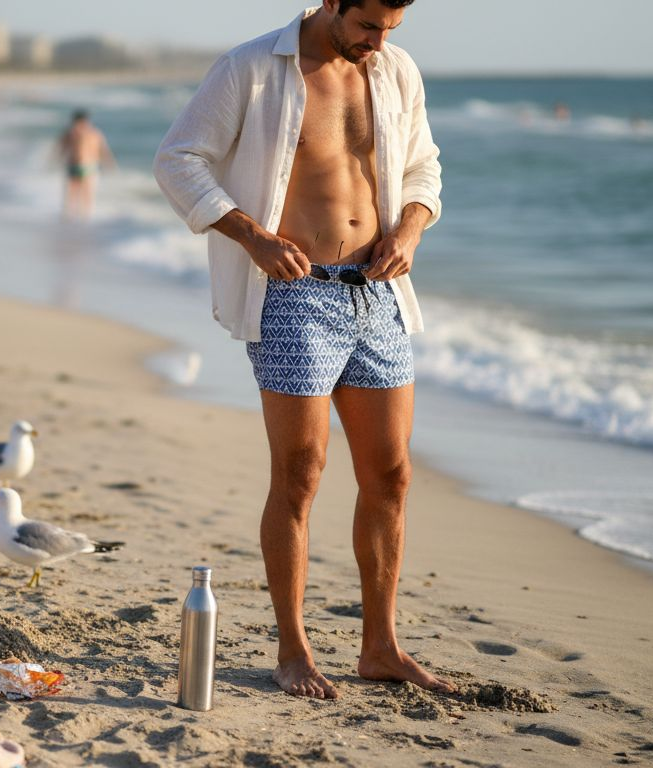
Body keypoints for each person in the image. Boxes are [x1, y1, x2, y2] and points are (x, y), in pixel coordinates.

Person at [154, 0, 448, 700]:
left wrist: (409, 229)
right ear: (332, 3)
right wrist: (253, 237)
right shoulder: (253, 67)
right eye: (368, 25)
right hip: (294, 295)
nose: (378, 42)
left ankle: (381, 648)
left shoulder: (396, 71)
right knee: (301, 472)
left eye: (391, 30)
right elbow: (178, 161)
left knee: (393, 474)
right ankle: (293, 649)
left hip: (377, 294)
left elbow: (423, 169)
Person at [58, 110, 116, 220]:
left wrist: (109, 163)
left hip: (87, 167)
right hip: (77, 166)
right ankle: (72, 218)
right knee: (74, 195)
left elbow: (103, 150)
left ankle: (83, 219)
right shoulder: (73, 133)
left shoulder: (91, 133)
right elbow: (62, 148)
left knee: (85, 196)